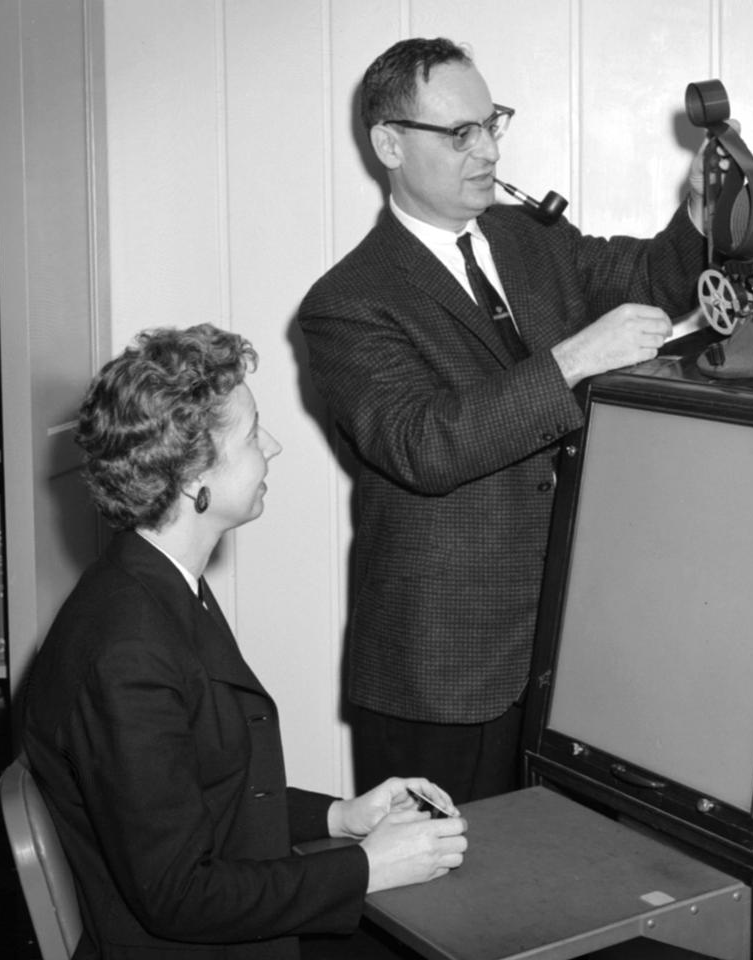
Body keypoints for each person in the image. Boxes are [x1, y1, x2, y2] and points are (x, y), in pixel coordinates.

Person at [298, 37, 708, 804]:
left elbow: (650, 278)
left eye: (491, 124)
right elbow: (424, 444)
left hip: (566, 652)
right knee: (448, 875)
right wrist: (573, 359)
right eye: (461, 133)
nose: (487, 149)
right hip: (444, 676)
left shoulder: (529, 239)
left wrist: (702, 210)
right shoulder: (346, 302)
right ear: (389, 144)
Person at [21, 324, 467, 960]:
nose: (273, 447)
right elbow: (181, 896)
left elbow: (204, 792)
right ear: (191, 475)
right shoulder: (128, 653)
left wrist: (342, 817)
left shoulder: (152, 584)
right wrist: (369, 867)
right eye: (254, 435)